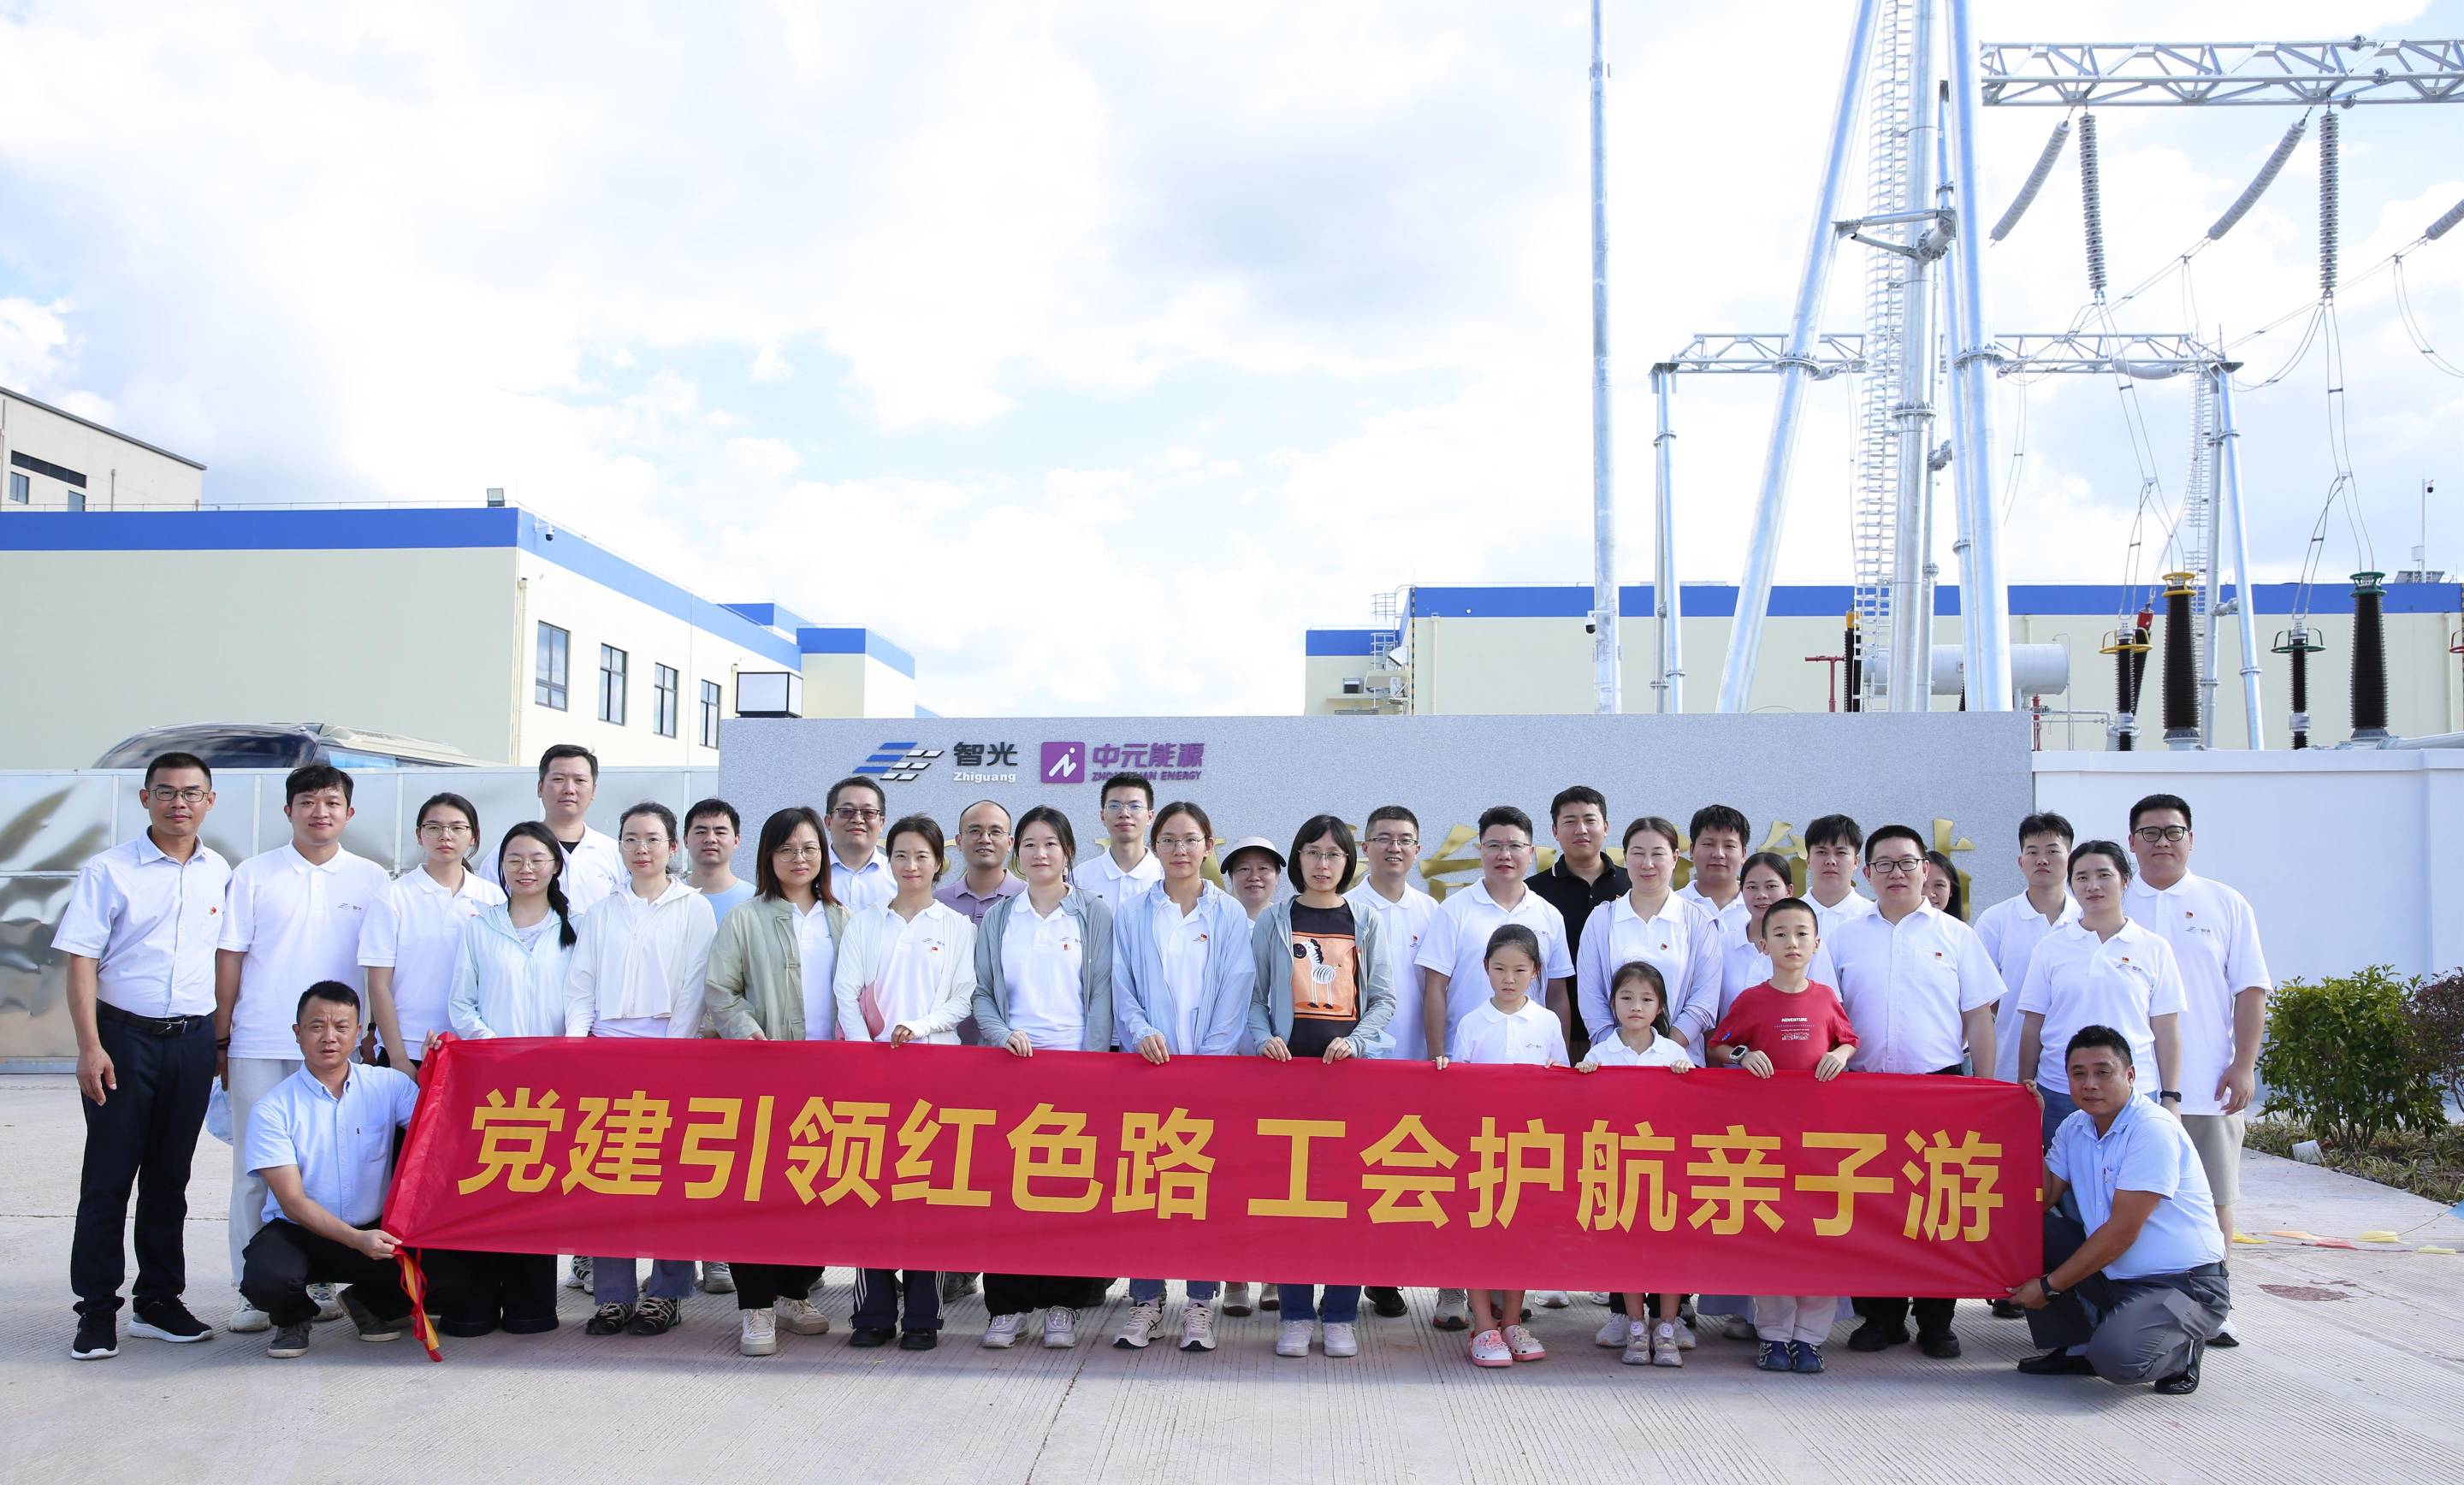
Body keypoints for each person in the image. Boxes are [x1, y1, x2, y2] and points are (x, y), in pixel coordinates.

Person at [60, 752, 232, 1361]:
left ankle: (158, 1302)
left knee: (169, 1179)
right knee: (109, 1178)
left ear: (209, 801)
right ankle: (96, 1310)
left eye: (191, 793)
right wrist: (90, 1045)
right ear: (145, 799)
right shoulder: (109, 870)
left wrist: (218, 1042)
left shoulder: (219, 871)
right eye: (166, 792)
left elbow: (223, 959)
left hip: (191, 1040)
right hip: (122, 1039)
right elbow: (80, 959)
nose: (178, 803)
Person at [215, 763, 390, 1334]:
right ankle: (251, 1290)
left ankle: (321, 1276)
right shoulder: (254, 874)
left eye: (332, 802)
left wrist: (370, 1032)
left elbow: (380, 965)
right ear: (288, 810)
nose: (320, 812)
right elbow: (230, 958)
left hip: (341, 1044)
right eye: (308, 801)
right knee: (255, 1170)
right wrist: (223, 1036)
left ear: (349, 812)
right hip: (261, 1039)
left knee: (334, 1164)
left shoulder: (371, 878)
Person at [1827, 822, 2004, 1359]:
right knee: (1874, 1205)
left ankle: (1936, 1319)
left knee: (1938, 1205)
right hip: (1866, 1091)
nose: (1896, 873)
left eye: (1907, 862)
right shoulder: (1844, 937)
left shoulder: (1956, 936)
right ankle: (1882, 1318)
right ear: (1866, 872)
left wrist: (1985, 1091)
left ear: (1926, 869)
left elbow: (1979, 1019)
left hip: (1940, 1089)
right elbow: (1829, 1018)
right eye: (1884, 864)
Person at [1413, 804, 1574, 1327]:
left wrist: (1558, 1068)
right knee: (1460, 1183)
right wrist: (1439, 1058)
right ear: (1480, 850)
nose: (1505, 855)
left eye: (1515, 846)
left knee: (1514, 1186)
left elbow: (1557, 994)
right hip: (1467, 1067)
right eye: (1494, 845)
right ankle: (1451, 1290)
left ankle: (1509, 1292)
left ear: (1532, 852)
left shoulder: (1548, 915)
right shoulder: (1455, 909)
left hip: (1528, 1079)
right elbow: (1434, 986)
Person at [2122, 791, 2271, 1348]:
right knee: (2129, 1198)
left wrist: (2243, 1064)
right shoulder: (2112, 898)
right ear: (2132, 841)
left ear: (2191, 839)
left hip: (2207, 1083)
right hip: (2131, 1086)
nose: (2162, 842)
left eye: (2173, 832)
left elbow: (2250, 989)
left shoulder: (2224, 903)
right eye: (2150, 833)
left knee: (2213, 1198)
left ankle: (2214, 1307)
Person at [2008, 1026, 2229, 1395]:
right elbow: (2040, 1201)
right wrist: (2031, 1125)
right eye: (2078, 1074)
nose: (2090, 1084)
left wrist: (2048, 1286)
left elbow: (2123, 1231)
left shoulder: (2152, 1129)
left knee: (2117, 1360)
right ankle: (2076, 1345)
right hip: (2115, 1276)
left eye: (2103, 1072)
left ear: (2130, 1075)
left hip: (2181, 1282)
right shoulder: (2074, 1127)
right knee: (2032, 1230)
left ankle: (2184, 1347)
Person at [566, 802, 719, 1337]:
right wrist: (577, 1047)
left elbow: (695, 986)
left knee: (670, 1180)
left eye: (653, 839)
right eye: (631, 839)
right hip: (607, 1052)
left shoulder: (694, 908)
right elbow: (581, 983)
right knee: (608, 1176)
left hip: (670, 1052)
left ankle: (667, 1293)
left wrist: (671, 1058)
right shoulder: (601, 912)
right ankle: (614, 1296)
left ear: (672, 847)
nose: (641, 849)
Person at [1247, 816, 1396, 1361]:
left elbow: (1383, 999)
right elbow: (1254, 997)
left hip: (1347, 1083)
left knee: (1346, 1202)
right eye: (1312, 852)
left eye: (1334, 854)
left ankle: (1339, 1315)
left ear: (1349, 861)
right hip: (1289, 1082)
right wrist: (1263, 1038)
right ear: (1298, 859)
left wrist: (1356, 1042)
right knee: (1292, 1203)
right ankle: (1294, 1315)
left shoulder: (1366, 919)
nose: (1323, 863)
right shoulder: (1275, 919)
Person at [1109, 800, 1256, 1351]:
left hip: (1209, 1076)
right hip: (1147, 1071)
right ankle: (1146, 1303)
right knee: (1146, 1189)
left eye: (1190, 839)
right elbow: (1122, 983)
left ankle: (1199, 1305)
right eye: (1169, 839)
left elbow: (1237, 989)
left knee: (1200, 1190)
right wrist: (1140, 1030)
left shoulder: (1228, 915)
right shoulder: (1134, 913)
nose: (1179, 850)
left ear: (1208, 846)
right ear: (1155, 846)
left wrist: (1206, 1065)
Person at [974, 805, 1115, 1352]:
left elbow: (1102, 992)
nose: (1040, 854)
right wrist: (999, 1034)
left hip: (1076, 1068)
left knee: (1068, 1188)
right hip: (1012, 1068)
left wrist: (1092, 1064)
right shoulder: (1001, 917)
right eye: (1029, 844)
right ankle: (1007, 1306)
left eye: (1051, 843)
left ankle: (1063, 1304)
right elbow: (983, 992)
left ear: (1068, 852)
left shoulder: (1092, 913)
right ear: (1017, 853)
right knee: (1007, 1192)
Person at [703, 805, 844, 1356]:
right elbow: (721, 990)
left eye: (808, 848)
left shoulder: (842, 918)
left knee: (813, 1189)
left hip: (829, 1078)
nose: (798, 858)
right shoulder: (746, 917)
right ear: (768, 856)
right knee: (756, 1190)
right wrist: (747, 1031)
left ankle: (794, 1292)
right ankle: (756, 1307)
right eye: (786, 849)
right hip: (762, 1075)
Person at [833, 814, 976, 1350]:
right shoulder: (866, 923)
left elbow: (962, 1000)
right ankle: (871, 1313)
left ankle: (922, 1315)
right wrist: (865, 1055)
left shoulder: (957, 927)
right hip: (874, 1076)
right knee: (870, 1188)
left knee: (926, 1193)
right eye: (900, 855)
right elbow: (846, 993)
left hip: (936, 1073)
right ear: (888, 861)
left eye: (921, 856)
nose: (911, 865)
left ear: (939, 862)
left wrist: (919, 1027)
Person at [431, 822, 578, 1340]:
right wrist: (497, 1049)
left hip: (556, 1082)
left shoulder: (577, 929)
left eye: (537, 858)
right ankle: (473, 1305)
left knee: (537, 1190)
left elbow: (585, 1001)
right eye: (514, 859)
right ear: (501, 867)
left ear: (555, 866)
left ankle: (530, 1306)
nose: (525, 869)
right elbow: (461, 1004)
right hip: (490, 1080)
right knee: (487, 1185)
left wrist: (559, 1052)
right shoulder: (481, 927)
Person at [1707, 896, 1858, 1375]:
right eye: (1780, 934)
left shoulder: (1825, 998)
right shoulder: (1752, 999)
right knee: (1772, 1234)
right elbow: (1718, 1045)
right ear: (1763, 944)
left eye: (1801, 933)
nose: (1791, 943)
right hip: (1766, 1142)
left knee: (1818, 1239)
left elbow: (1849, 1039)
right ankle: (1772, 1335)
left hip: (1819, 1144)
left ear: (1817, 943)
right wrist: (1742, 1055)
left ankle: (1809, 1339)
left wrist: (1842, 1056)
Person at [236, 981, 420, 1359]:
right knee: (265, 1279)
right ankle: (294, 1317)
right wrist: (356, 1240)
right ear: (297, 1033)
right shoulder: (273, 1108)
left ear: (358, 1033)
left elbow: (437, 1129)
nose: (329, 1037)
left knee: (447, 1277)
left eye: (341, 1026)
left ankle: (365, 1302)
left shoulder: (389, 1086)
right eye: (316, 1026)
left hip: (374, 1229)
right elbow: (291, 1202)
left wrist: (441, 1058)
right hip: (300, 1231)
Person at [1440, 925, 1567, 1366]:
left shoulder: (1547, 1022)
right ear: (1485, 968)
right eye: (1499, 969)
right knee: (1478, 1234)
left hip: (1530, 1148)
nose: (1509, 979)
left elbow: (1562, 1082)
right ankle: (1482, 1325)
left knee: (1520, 1235)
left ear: (1536, 971)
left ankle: (1511, 1321)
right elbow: (1458, 1089)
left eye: (1519, 970)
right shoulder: (1473, 1022)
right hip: (1482, 1148)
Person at [2017, 841, 2186, 1149]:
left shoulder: (2153, 948)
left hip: (2134, 1092)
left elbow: (2166, 1028)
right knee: (2059, 1174)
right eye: (2082, 877)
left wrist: (2171, 1097)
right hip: (2060, 1091)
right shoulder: (2050, 948)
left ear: (2125, 881)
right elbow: (2033, 1024)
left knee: (2130, 1173)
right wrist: (2024, 1087)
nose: (2093, 886)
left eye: (2103, 875)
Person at [1345, 803, 1440, 1322]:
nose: (1394, 848)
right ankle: (1351, 1276)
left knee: (1400, 1170)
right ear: (1365, 848)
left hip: (1415, 1062)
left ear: (1418, 850)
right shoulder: (1346, 908)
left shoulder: (1431, 911)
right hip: (1358, 1063)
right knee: (1354, 1172)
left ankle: (1386, 1276)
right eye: (1383, 838)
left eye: (1404, 839)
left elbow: (1438, 990)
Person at [1574, 961, 1693, 1367]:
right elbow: (1584, 1109)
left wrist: (1686, 1076)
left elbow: (1695, 1110)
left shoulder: (1674, 1053)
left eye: (1646, 999)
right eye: (1626, 998)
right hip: (1620, 1167)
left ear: (1660, 1007)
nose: (1636, 1007)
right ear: (1613, 1004)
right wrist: (1585, 1076)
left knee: (1669, 1248)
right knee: (1628, 1246)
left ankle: (1667, 1326)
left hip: (1665, 1168)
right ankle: (1636, 1325)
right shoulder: (1600, 1053)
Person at [361, 792, 503, 1076]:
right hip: (409, 1047)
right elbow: (378, 985)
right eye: (434, 827)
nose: (445, 836)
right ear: (419, 835)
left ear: (473, 836)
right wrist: (398, 1058)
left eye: (457, 828)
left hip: (473, 1046)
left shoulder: (493, 897)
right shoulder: (393, 896)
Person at [1575, 816, 1724, 1056]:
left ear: (1675, 858)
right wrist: (1619, 1052)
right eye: (1638, 853)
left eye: (1657, 853)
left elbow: (1704, 1000)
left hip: (1680, 1061)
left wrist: (1663, 1052)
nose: (1648, 863)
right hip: (1613, 1061)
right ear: (1625, 857)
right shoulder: (1601, 920)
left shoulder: (1698, 920)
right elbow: (1591, 998)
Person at [1974, 813, 2080, 1086]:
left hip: (2078, 1069)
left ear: (2070, 859)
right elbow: (1983, 993)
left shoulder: (2086, 918)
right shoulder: (1995, 920)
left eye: (2052, 851)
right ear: (2021, 862)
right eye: (2032, 852)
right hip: (2010, 1063)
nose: (2042, 859)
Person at [1525, 787, 1627, 1054]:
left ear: (1606, 827)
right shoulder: (1534, 892)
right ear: (1555, 831)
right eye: (1570, 822)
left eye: (1590, 820)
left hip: (1624, 1031)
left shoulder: (1631, 885)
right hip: (1556, 1030)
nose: (1581, 830)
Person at [480, 744, 625, 915]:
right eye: (558, 779)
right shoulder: (506, 854)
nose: (569, 789)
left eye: (579, 780)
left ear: (593, 790)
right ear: (540, 788)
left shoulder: (616, 854)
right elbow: (487, 913)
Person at [1072, 772, 1164, 919]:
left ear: (1150, 817)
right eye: (1114, 806)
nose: (1124, 813)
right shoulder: (1079, 879)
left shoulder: (1165, 876)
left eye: (1135, 806)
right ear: (1102, 816)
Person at [937, 799, 1024, 926]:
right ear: (959, 842)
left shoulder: (1029, 897)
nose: (985, 839)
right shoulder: (939, 902)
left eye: (996, 832)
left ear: (1010, 843)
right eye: (975, 831)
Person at [1675, 803, 1752, 943]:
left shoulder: (1759, 907)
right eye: (1708, 844)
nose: (1719, 854)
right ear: (1692, 850)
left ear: (1743, 854)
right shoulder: (1672, 906)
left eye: (1729, 846)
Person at [824, 776, 894, 910]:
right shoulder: (807, 873)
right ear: (828, 821)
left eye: (868, 812)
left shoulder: (898, 876)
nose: (858, 819)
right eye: (846, 812)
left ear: (882, 823)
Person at [1801, 813, 1875, 939]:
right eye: (1822, 852)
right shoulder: (1787, 915)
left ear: (1856, 861)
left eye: (1841, 852)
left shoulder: (1872, 916)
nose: (1831, 861)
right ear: (1808, 860)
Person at [684, 798, 755, 921]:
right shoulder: (671, 897)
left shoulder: (755, 899)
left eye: (720, 832)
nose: (710, 839)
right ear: (685, 840)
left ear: (736, 841)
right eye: (701, 832)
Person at [1222, 836, 1285, 921]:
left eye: (1263, 868)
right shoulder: (1216, 922)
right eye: (1244, 869)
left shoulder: (1289, 923)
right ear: (1231, 877)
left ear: (1277, 876)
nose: (1254, 877)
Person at [1923, 850, 1966, 920]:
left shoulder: (1959, 927)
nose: (1929, 894)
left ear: (1951, 890)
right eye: (1922, 885)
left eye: (1939, 885)